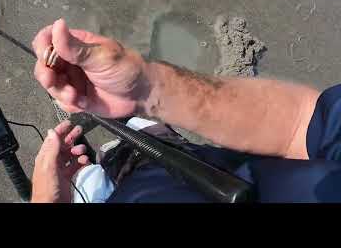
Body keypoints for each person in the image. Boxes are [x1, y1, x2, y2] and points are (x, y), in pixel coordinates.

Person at [30, 18, 341, 203]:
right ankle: (147, 155)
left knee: (91, 187)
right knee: (175, 162)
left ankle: (98, 179)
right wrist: (147, 88)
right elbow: (299, 124)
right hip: (215, 176)